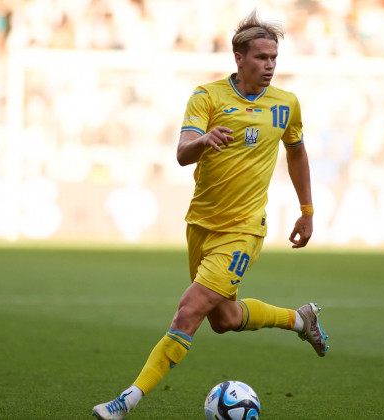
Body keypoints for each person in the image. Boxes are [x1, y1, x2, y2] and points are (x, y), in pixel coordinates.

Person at [92, 9, 329, 420]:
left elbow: (296, 151)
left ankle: (125, 401)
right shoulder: (208, 96)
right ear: (239, 58)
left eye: (274, 58)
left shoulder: (286, 105)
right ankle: (299, 319)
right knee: (223, 318)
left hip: (244, 231)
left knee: (189, 310)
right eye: (261, 57)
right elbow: (183, 154)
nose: (270, 65)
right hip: (201, 225)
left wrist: (307, 210)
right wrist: (204, 141)